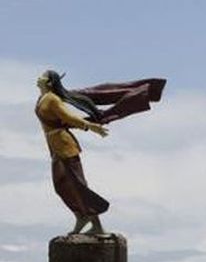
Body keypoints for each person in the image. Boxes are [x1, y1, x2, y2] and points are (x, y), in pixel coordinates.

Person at [35, 70, 165, 235]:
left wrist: (91, 126)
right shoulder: (43, 98)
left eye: (42, 76)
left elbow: (69, 117)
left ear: (49, 82)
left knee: (78, 185)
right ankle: (81, 217)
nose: (38, 77)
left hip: (64, 145)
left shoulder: (52, 100)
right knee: (62, 186)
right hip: (54, 145)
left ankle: (96, 225)